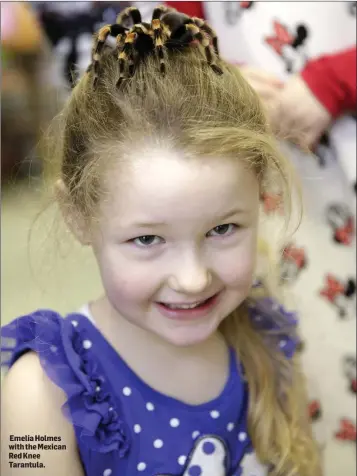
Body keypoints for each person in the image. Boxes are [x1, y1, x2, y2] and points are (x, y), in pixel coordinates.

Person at [1, 6, 321, 476]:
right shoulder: (40, 392)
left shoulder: (265, 339)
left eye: (222, 229)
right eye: (148, 238)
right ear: (78, 215)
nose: (193, 280)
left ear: (261, 196)